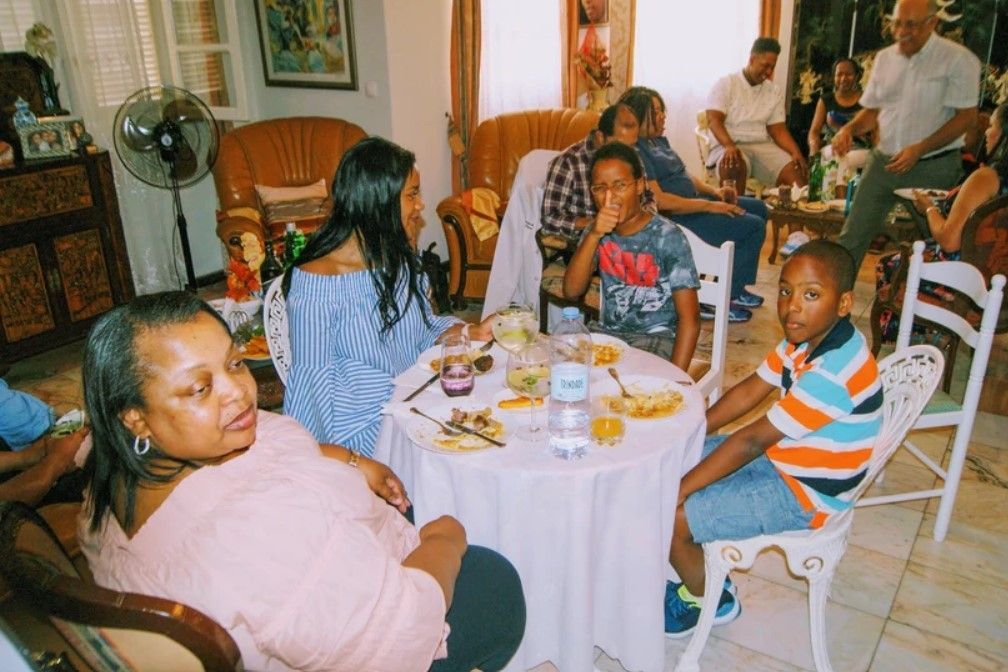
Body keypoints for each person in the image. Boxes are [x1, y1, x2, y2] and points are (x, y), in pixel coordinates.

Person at [76, 291, 526, 672]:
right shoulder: (250, 535)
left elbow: (270, 442)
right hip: (377, 612)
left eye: (234, 363)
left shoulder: (131, 463)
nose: (238, 391)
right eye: (199, 388)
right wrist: (446, 537)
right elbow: (399, 633)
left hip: (337, 551)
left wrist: (351, 460)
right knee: (497, 581)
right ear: (135, 418)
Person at [663, 240, 882, 637]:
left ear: (844, 302)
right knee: (672, 466)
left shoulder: (834, 371)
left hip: (806, 492)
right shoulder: (805, 339)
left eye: (811, 294)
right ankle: (697, 567)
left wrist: (680, 490)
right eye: (786, 291)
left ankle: (711, 599)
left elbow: (750, 442)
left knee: (671, 513)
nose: (792, 306)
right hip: (788, 458)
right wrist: (691, 434)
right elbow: (749, 390)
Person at [283, 137, 494, 457]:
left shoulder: (396, 259)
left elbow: (423, 330)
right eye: (412, 194)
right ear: (377, 201)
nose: (421, 204)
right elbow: (311, 394)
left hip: (414, 405)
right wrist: (332, 469)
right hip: (363, 434)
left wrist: (469, 332)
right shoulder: (318, 285)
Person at [832, 0, 981, 270]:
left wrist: (920, 148)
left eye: (911, 24)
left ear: (932, 22)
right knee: (850, 239)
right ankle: (834, 309)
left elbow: (967, 118)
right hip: (883, 164)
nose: (902, 31)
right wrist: (849, 129)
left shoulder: (959, 60)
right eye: (897, 23)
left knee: (941, 245)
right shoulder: (885, 59)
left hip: (933, 168)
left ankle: (938, 306)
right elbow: (872, 112)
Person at [620, 86, 767, 322]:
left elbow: (685, 176)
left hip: (695, 205)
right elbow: (660, 200)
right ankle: (719, 300)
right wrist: (710, 206)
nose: (663, 116)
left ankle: (736, 288)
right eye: (656, 112)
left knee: (758, 208)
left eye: (662, 110)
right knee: (753, 225)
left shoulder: (659, 142)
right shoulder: (638, 151)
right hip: (681, 217)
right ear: (639, 116)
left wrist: (715, 192)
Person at [875, 102, 1008, 342]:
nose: (987, 132)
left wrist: (928, 207)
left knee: (889, 265)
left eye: (992, 126)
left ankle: (921, 340)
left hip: (966, 286)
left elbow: (949, 240)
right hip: (1000, 286)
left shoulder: (987, 178)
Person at [563, 142, 701, 370]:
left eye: (619, 186)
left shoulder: (668, 237)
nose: (610, 198)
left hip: (658, 340)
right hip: (608, 337)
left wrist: (677, 378)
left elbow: (690, 320)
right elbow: (571, 291)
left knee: (632, 393)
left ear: (639, 186)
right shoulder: (596, 232)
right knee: (562, 374)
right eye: (600, 188)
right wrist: (594, 234)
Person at [706, 37, 808, 188]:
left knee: (797, 171)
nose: (768, 72)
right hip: (729, 144)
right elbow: (714, 120)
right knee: (733, 165)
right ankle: (735, 210)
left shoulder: (774, 91)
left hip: (762, 146)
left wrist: (796, 152)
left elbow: (778, 130)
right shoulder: (727, 84)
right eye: (765, 66)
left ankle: (781, 212)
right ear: (752, 59)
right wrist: (728, 145)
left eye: (772, 68)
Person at [541, 102, 644, 240]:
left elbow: (648, 198)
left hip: (634, 236)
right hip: (590, 242)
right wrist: (595, 224)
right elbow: (549, 219)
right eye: (619, 145)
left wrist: (639, 221)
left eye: (632, 145)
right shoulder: (568, 163)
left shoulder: (631, 156)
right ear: (600, 137)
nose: (626, 152)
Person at [0, 379, 87, 506]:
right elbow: (6, 507)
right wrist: (55, 463)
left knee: (80, 424)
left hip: (41, 436)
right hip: (37, 441)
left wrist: (27, 456)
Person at [807, 58, 876, 169]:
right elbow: (814, 131)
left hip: (861, 152)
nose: (843, 78)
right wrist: (813, 149)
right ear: (834, 77)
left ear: (857, 76)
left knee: (845, 162)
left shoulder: (867, 99)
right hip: (832, 150)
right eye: (839, 74)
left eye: (849, 74)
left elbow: (875, 134)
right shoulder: (826, 100)